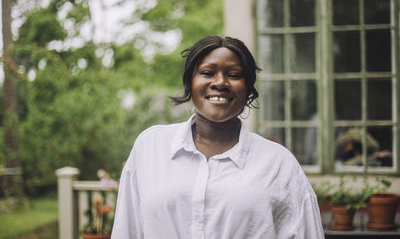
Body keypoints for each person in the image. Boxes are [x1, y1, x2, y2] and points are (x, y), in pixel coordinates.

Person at [111, 35, 324, 239]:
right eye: (207, 72)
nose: (220, 82)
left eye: (233, 75)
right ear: (190, 83)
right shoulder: (150, 147)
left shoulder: (279, 164)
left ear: (248, 89)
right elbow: (127, 230)